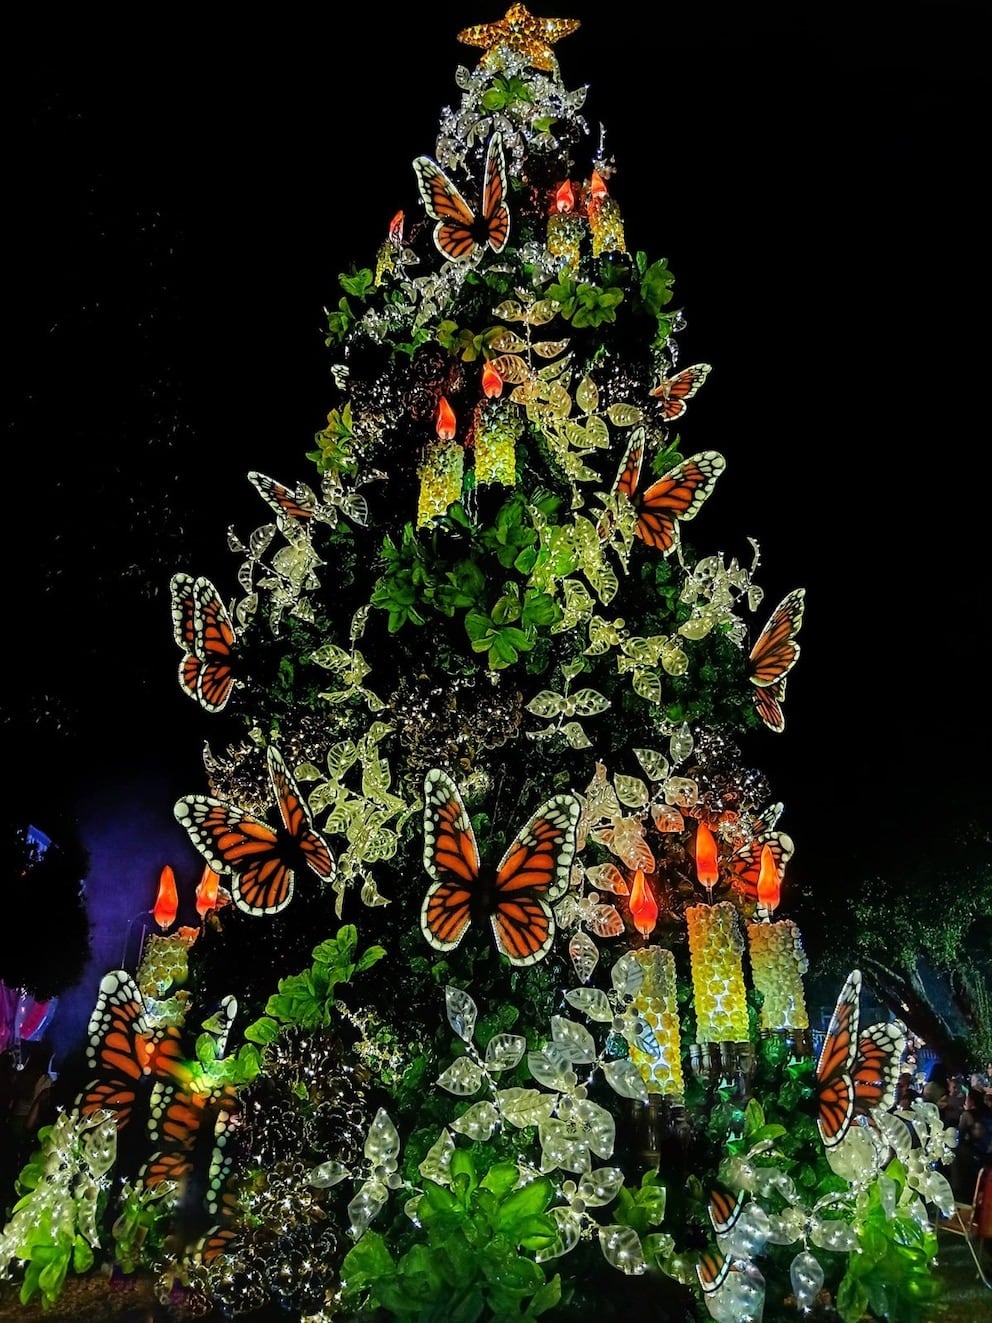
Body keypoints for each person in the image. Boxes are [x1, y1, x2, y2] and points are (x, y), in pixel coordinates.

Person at [949, 1086, 992, 1203]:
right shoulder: (987, 1113)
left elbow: (959, 1136)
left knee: (953, 1155)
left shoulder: (967, 1115)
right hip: (986, 1156)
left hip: (971, 1155)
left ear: (971, 1101)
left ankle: (956, 1196)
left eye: (966, 1099)